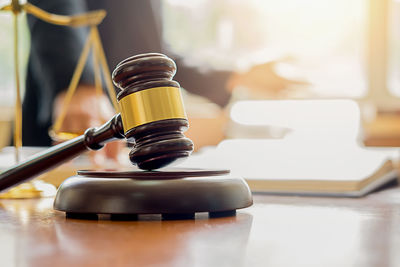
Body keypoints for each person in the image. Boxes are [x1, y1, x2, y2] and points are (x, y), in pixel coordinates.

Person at [23, 0, 302, 162]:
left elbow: (154, 55)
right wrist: (76, 81)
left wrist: (235, 76)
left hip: (118, 141)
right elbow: (56, 4)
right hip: (74, 122)